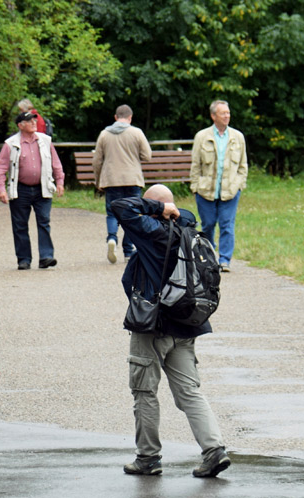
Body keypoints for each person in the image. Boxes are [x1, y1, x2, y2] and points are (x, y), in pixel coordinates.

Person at [111, 183, 231, 478]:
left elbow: (119, 207)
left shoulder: (152, 232)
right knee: (189, 392)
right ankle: (214, 450)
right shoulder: (188, 229)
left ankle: (148, 458)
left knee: (144, 392)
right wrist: (167, 208)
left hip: (153, 325)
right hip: (187, 324)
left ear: (159, 208)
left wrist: (153, 209)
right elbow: (183, 213)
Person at [0, 111, 64, 270]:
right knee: (20, 225)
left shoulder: (45, 141)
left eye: (34, 120)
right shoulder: (11, 144)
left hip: (42, 187)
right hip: (20, 189)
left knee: (44, 221)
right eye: (29, 121)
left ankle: (46, 256)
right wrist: (1, 189)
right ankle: (24, 259)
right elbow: (0, 168)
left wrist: (59, 181)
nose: (33, 123)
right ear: (20, 125)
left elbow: (55, 162)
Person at [190, 100, 248, 272]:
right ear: (213, 116)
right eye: (223, 113)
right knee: (207, 225)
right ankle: (209, 257)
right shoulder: (202, 136)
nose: (227, 116)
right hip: (206, 191)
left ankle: (225, 260)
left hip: (230, 191)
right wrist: (195, 186)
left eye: (228, 113)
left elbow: (243, 165)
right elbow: (195, 165)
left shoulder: (237, 137)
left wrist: (239, 184)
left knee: (227, 225)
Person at [92, 104, 152, 263]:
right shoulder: (136, 132)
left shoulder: (104, 134)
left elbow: (97, 161)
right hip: (132, 179)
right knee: (132, 214)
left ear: (115, 117)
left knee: (113, 213)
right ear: (130, 117)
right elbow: (147, 155)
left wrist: (98, 180)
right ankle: (128, 250)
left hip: (112, 180)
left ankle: (112, 238)